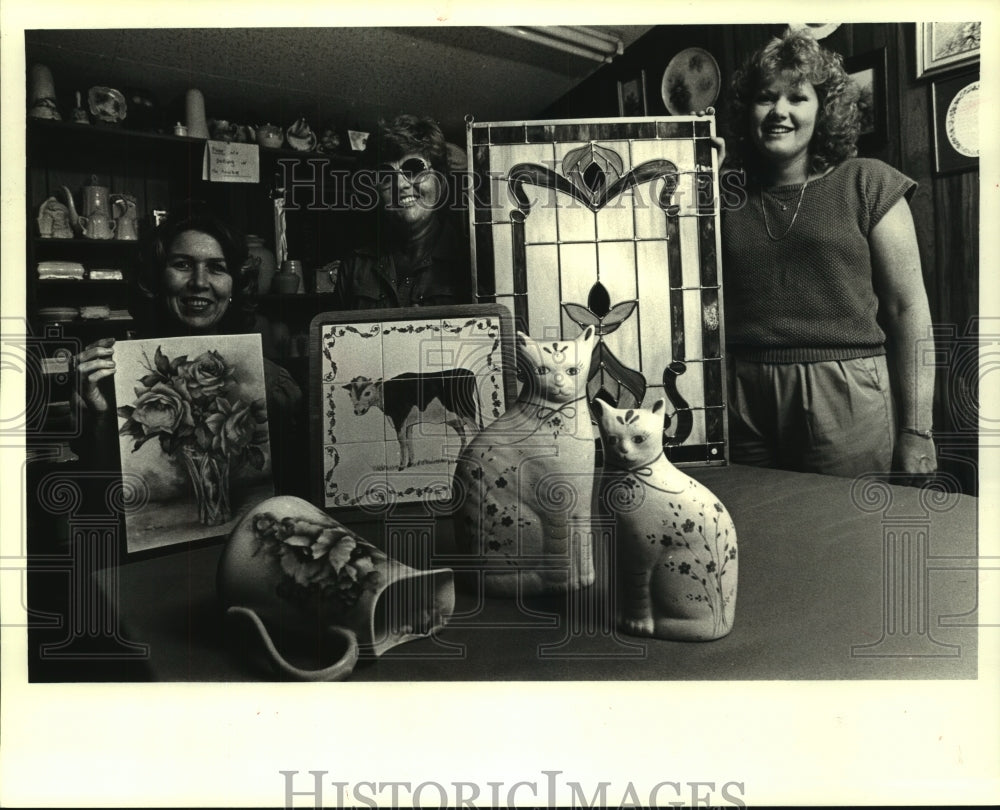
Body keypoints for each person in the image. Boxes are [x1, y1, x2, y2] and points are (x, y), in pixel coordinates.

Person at [718, 29, 936, 478]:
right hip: (742, 394)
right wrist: (697, 171)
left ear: (823, 110)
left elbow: (906, 309)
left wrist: (918, 429)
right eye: (765, 97)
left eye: (797, 98)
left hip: (844, 391)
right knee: (757, 534)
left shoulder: (867, 182)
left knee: (845, 538)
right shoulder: (725, 195)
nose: (779, 111)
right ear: (748, 110)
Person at [72, 202, 306, 495]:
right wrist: (97, 419)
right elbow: (97, 497)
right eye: (182, 265)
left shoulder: (271, 382)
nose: (199, 282)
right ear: (157, 279)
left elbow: (292, 490)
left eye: (216, 268)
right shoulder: (113, 378)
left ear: (234, 286)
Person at [330, 114, 472, 309]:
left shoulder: (471, 261)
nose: (401, 184)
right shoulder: (355, 266)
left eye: (414, 168)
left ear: (440, 180)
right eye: (386, 175)